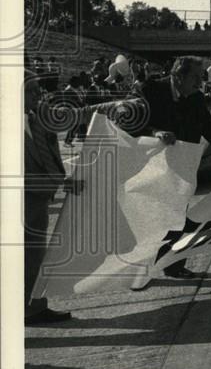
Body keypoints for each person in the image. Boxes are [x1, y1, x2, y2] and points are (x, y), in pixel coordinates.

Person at [131, 56, 211, 285]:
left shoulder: (196, 97)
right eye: (196, 77)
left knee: (176, 218)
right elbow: (128, 121)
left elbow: (210, 130)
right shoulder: (150, 90)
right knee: (149, 219)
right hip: (148, 168)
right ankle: (138, 270)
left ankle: (173, 266)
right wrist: (154, 132)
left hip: (181, 169)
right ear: (178, 76)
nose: (201, 82)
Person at [24, 71, 131, 323]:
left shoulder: (38, 115)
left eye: (38, 89)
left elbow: (78, 114)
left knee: (32, 258)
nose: (39, 95)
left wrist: (116, 105)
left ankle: (33, 307)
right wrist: (59, 183)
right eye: (30, 90)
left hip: (36, 203)